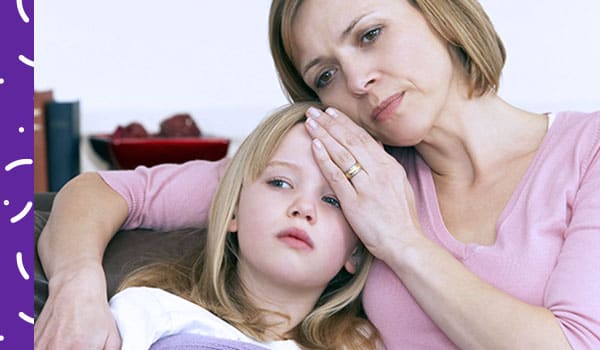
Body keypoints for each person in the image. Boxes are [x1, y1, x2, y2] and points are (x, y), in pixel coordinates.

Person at [35, 0, 600, 349]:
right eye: (324, 74)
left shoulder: (588, 149)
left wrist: (400, 240)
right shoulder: (336, 164)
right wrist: (76, 285)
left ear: (440, 13)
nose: (356, 80)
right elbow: (104, 191)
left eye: (370, 34)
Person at [106, 102, 378, 350]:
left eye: (332, 200)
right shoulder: (149, 311)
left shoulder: (362, 344)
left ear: (356, 251)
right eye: (280, 183)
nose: (304, 208)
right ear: (234, 209)